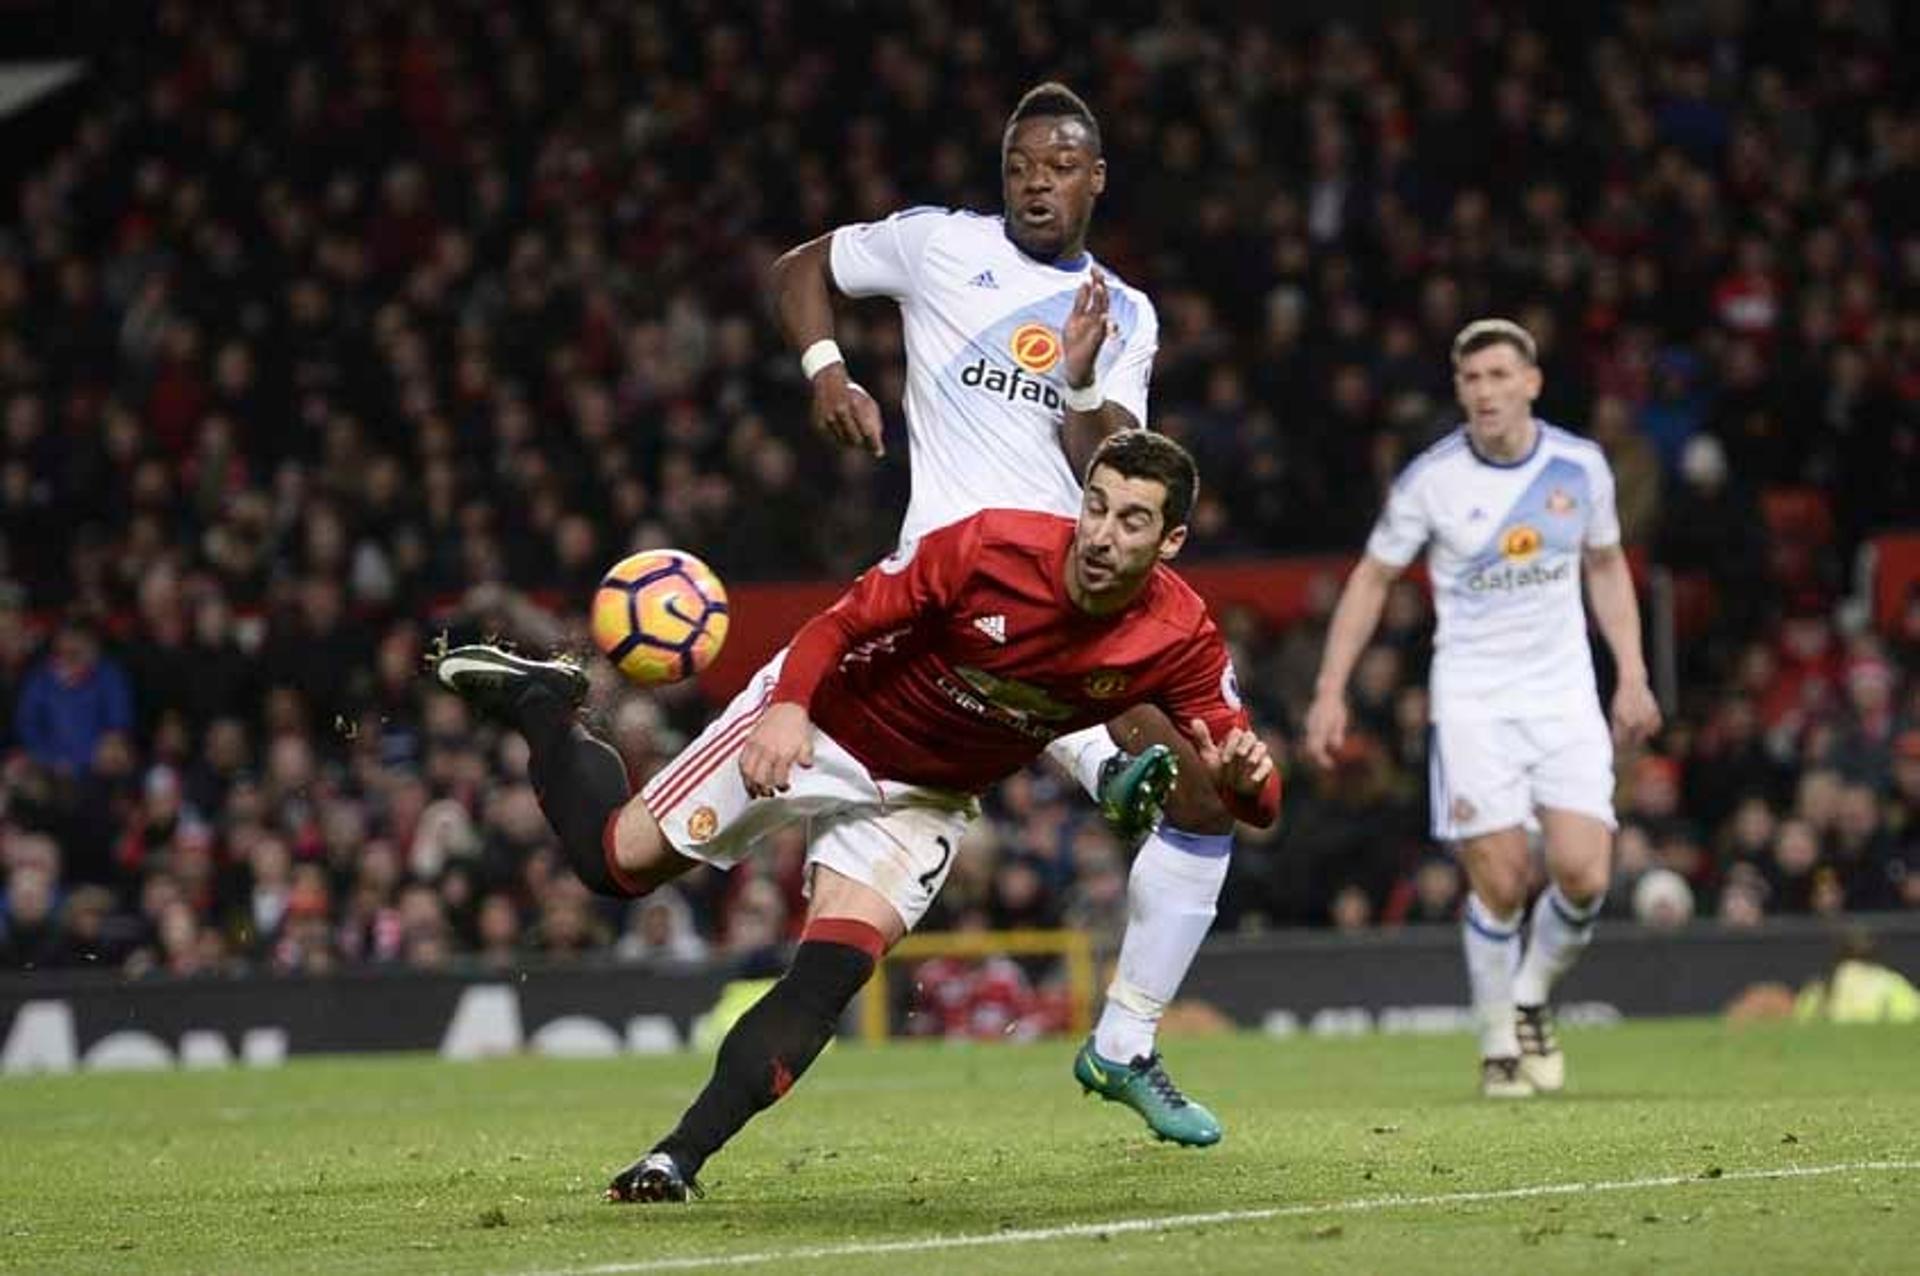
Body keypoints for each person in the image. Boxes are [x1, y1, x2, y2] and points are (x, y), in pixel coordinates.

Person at [432, 433, 1278, 1201]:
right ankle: (547, 704)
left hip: (924, 799)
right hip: (823, 723)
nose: (1102, 535)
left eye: (1133, 521)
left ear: (1169, 543)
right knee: (611, 865)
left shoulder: (1179, 636)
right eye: (1096, 506)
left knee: (831, 974)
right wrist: (789, 709)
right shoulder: (989, 547)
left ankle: (674, 1159)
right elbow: (841, 624)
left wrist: (1245, 780)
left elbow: (1256, 801)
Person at [767, 80, 1241, 1144]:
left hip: (1085, 585)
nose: (1037, 180)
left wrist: (1075, 383)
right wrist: (826, 370)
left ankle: (1124, 1041)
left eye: (1061, 164)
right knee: (1047, 685)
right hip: (951, 588)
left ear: (1096, 178)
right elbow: (802, 267)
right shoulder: (938, 247)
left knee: (1210, 796)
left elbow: (1116, 464)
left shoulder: (1126, 313)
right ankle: (1098, 764)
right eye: (1022, 163)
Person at [1303, 319, 1662, 1098]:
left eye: (1500, 376)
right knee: (1502, 880)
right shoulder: (1432, 480)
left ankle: (1530, 994)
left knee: (1582, 874)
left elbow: (1604, 565)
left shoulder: (1581, 466)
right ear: (1459, 390)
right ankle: (1498, 1039)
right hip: (1472, 700)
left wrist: (1631, 671)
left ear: (1530, 382)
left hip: (1564, 695)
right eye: (1471, 380)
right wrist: (1331, 688)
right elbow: (1371, 579)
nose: (1486, 392)